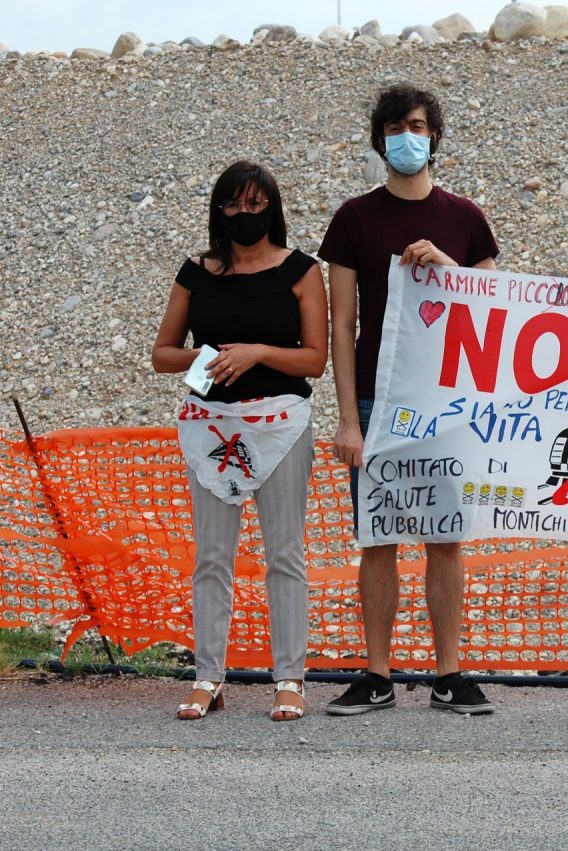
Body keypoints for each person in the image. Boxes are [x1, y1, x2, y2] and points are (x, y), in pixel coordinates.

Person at [320, 84, 500, 716]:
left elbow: (493, 316)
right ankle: (377, 673)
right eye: (397, 126)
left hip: (448, 403)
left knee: (446, 537)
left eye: (419, 125)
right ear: (380, 139)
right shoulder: (353, 219)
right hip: (376, 400)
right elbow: (343, 324)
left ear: (435, 138)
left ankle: (449, 672)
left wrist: (451, 267)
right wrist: (347, 418)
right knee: (379, 538)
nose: (408, 136)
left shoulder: (465, 219)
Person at [152, 160, 328, 721]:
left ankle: (290, 678)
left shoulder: (302, 271)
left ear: (272, 209)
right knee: (212, 556)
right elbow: (163, 354)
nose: (244, 215)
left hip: (282, 426)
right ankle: (208, 677)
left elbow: (316, 358)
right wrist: (212, 356)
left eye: (255, 205)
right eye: (234, 205)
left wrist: (256, 352)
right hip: (210, 428)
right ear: (218, 210)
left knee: (285, 554)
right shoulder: (195, 272)